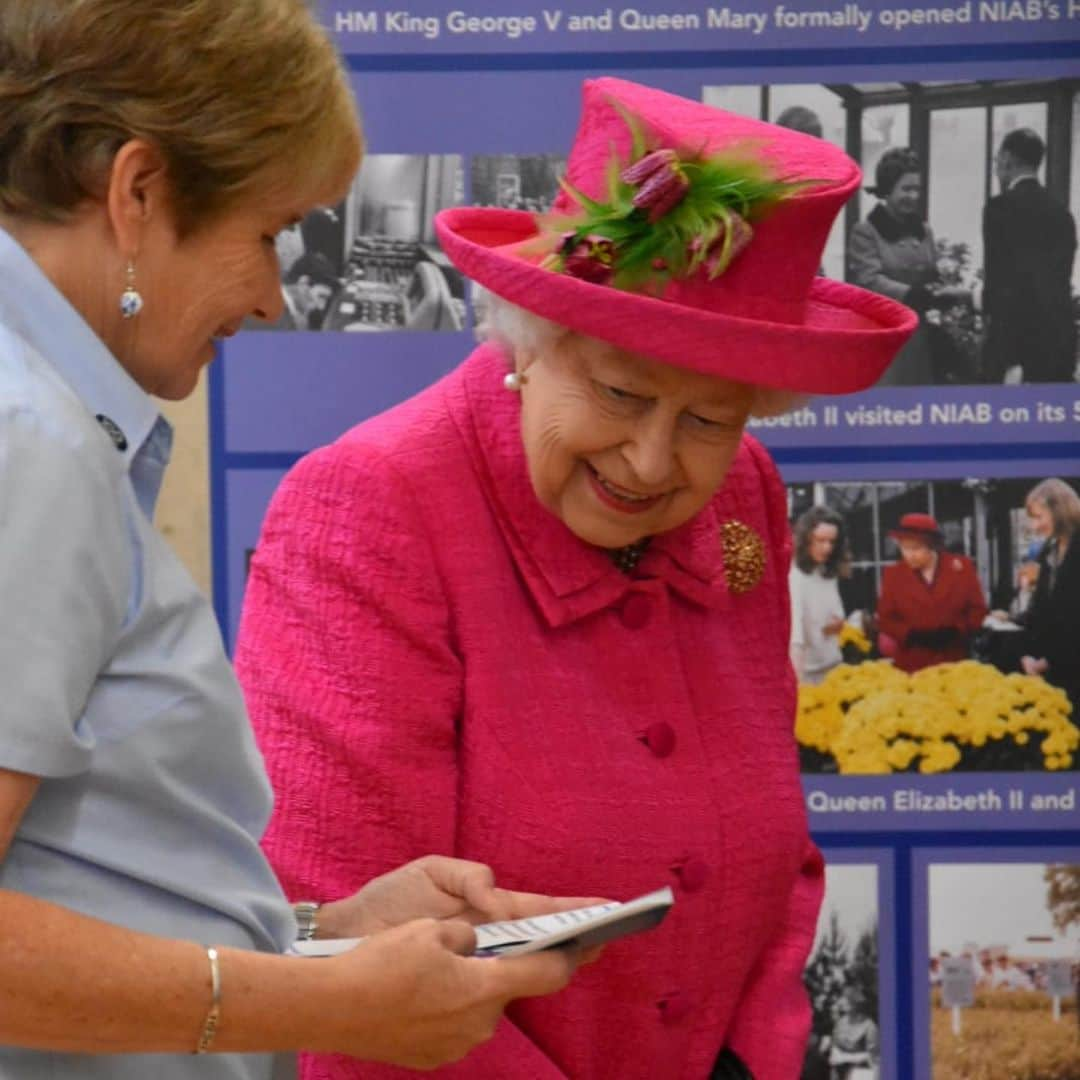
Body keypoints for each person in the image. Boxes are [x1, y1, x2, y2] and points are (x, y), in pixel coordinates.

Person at [237, 77, 916, 1080]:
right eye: (620, 393)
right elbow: (358, 954)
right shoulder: (374, 506)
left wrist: (757, 1057)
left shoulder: (744, 503)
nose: (650, 461)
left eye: (708, 420)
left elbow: (778, 850)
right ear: (527, 336)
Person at [0, 2, 592, 1076]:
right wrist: (314, 1002)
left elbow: (78, 879)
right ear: (137, 195)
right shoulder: (28, 442)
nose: (275, 300)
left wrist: (318, 938)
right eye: (267, 235)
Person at [847, 147, 970, 386]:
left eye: (917, 189)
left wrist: (940, 293)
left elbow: (931, 273)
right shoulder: (866, 231)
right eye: (906, 189)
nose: (913, 196)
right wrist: (912, 294)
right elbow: (870, 281)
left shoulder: (923, 230)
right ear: (887, 189)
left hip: (918, 338)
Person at [982, 128, 1077, 384]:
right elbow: (1055, 283)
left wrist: (1010, 359)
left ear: (1007, 158)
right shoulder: (1063, 214)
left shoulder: (999, 209)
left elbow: (1001, 286)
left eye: (997, 160)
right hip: (1059, 344)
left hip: (1016, 347)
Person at [875, 513, 988, 673]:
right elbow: (885, 619)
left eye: (916, 548)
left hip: (954, 662)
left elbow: (978, 609)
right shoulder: (893, 574)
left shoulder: (961, 568)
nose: (909, 555)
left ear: (932, 545)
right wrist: (912, 635)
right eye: (904, 548)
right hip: (911, 665)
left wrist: (957, 631)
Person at [1013, 478, 1080, 713]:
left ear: (1060, 510)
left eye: (1039, 517)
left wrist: (1049, 660)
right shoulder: (1049, 550)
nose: (1034, 526)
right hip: (1053, 670)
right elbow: (1042, 607)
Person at [790, 506, 849, 684]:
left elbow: (832, 619)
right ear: (805, 539)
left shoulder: (825, 572)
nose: (827, 548)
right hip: (806, 675)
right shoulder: (794, 577)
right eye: (820, 540)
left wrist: (835, 625)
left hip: (833, 668)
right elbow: (795, 637)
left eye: (832, 542)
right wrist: (797, 687)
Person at [824, 990, 878, 1080]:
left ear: (855, 1005)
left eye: (847, 1000)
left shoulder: (870, 1026)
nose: (842, 1002)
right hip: (838, 1070)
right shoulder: (841, 1021)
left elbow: (872, 1056)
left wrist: (844, 1058)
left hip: (859, 1072)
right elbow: (834, 1043)